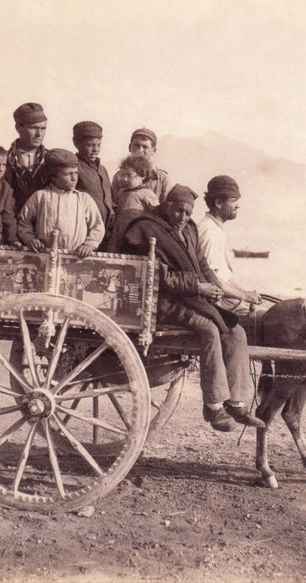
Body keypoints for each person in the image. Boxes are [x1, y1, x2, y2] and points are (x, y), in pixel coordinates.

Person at [119, 184, 264, 432]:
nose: (183, 218)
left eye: (188, 213)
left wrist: (212, 285)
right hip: (162, 302)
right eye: (178, 212)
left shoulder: (190, 229)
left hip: (190, 297)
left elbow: (203, 265)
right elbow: (161, 277)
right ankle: (213, 405)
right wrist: (199, 288)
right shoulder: (147, 228)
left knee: (235, 330)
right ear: (166, 206)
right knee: (209, 328)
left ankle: (237, 403)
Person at [17, 148, 105, 257]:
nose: (74, 178)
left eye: (76, 173)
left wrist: (89, 245)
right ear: (53, 177)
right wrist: (30, 239)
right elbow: (24, 222)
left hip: (75, 256)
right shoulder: (40, 196)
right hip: (44, 255)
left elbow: (97, 226)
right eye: (68, 174)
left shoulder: (84, 199)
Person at [198, 175, 263, 315]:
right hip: (214, 302)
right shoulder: (209, 232)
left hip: (223, 298)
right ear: (219, 203)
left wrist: (245, 294)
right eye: (234, 201)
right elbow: (213, 280)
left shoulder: (216, 229)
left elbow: (224, 277)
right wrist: (244, 296)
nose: (238, 205)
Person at [5, 102, 50, 214]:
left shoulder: (51, 159)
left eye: (43, 128)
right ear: (18, 128)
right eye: (33, 128)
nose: (39, 134)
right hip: (14, 220)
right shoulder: (4, 160)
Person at [72, 121, 113, 242]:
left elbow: (110, 197)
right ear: (77, 143)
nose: (95, 149)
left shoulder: (102, 169)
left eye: (98, 145)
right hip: (84, 231)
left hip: (105, 232)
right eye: (90, 145)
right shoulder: (74, 167)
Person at [108, 155, 159, 252]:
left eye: (129, 175)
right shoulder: (121, 193)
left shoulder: (147, 194)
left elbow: (157, 214)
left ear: (142, 176)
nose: (125, 179)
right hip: (118, 235)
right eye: (123, 175)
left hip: (135, 238)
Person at [111, 127, 173, 203]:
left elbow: (168, 208)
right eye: (136, 146)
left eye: (145, 147)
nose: (140, 150)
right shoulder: (119, 178)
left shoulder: (162, 179)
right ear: (130, 148)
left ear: (153, 151)